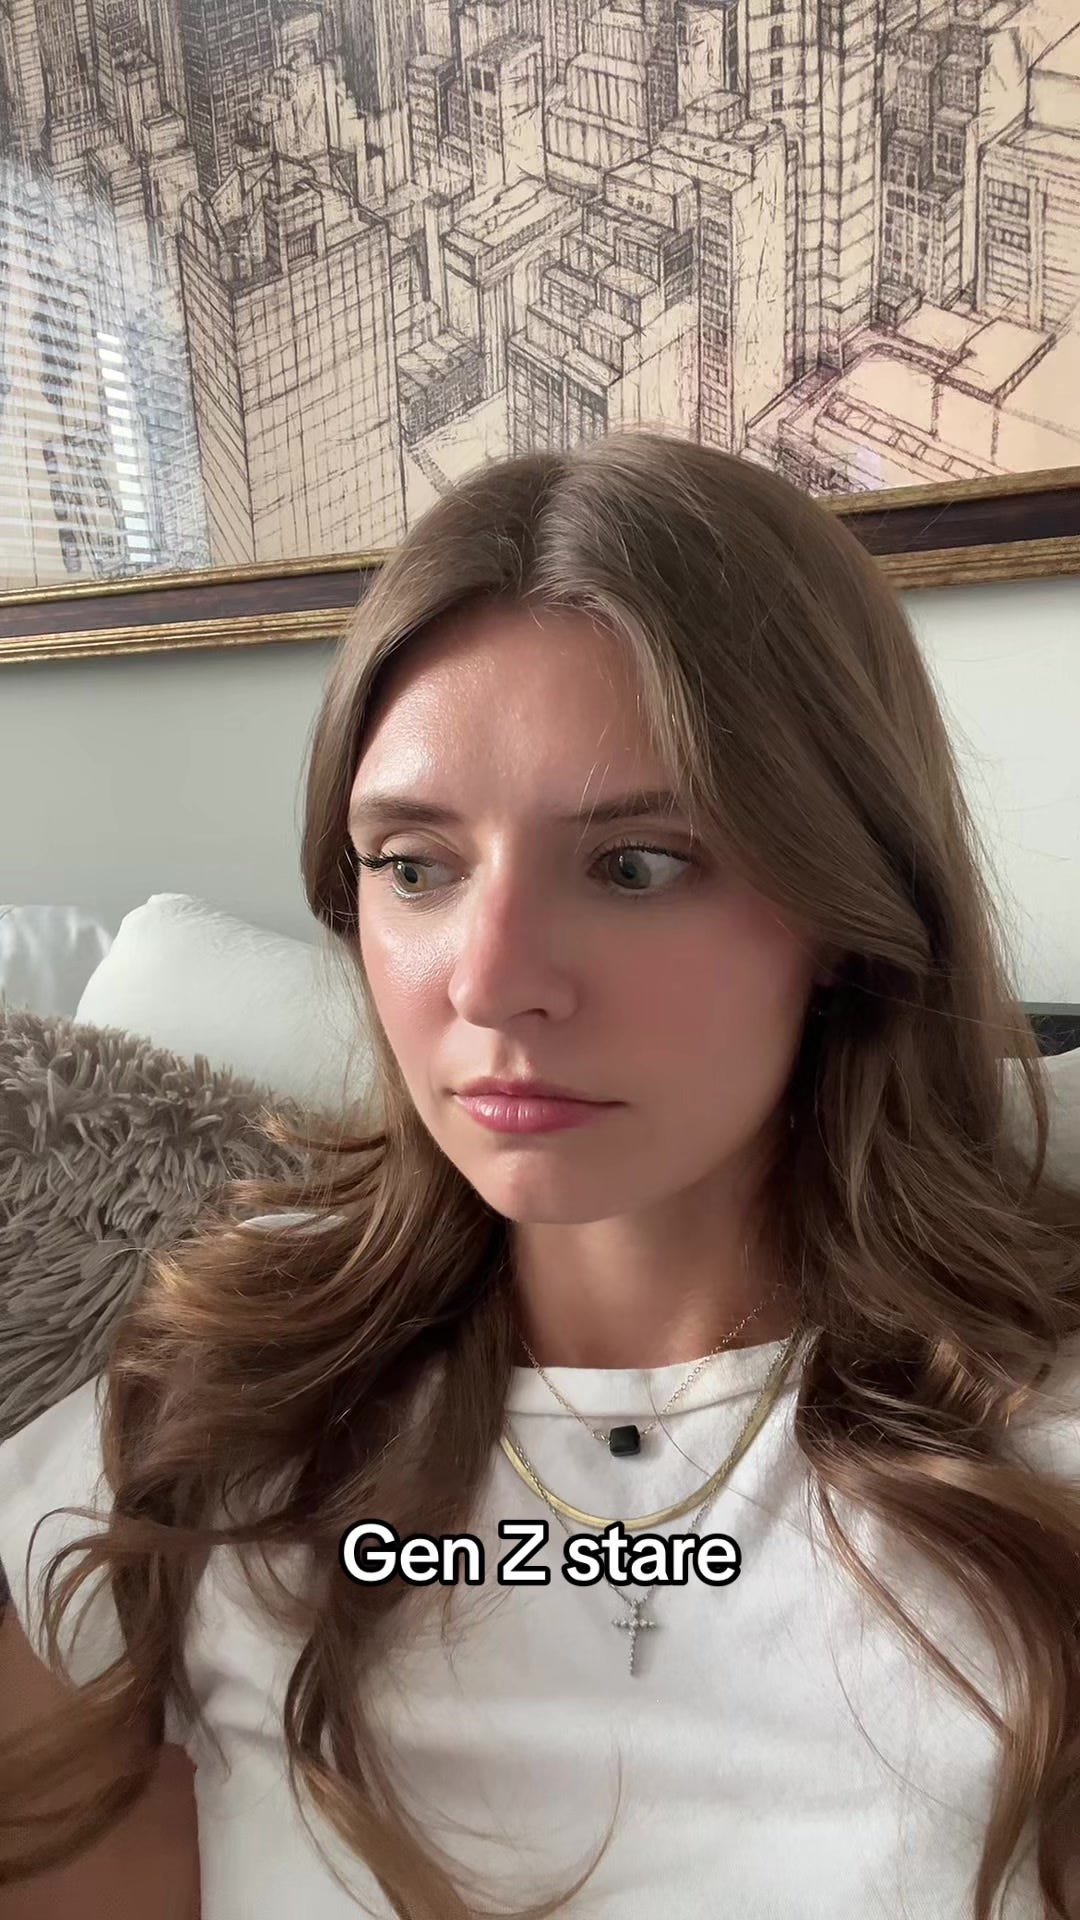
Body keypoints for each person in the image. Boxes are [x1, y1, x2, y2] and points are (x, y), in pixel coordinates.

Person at [1, 431, 1078, 1920]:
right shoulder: (196, 1435)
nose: (491, 980)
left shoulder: (1034, 1475)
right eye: (415, 865)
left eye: (635, 865)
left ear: (847, 908)